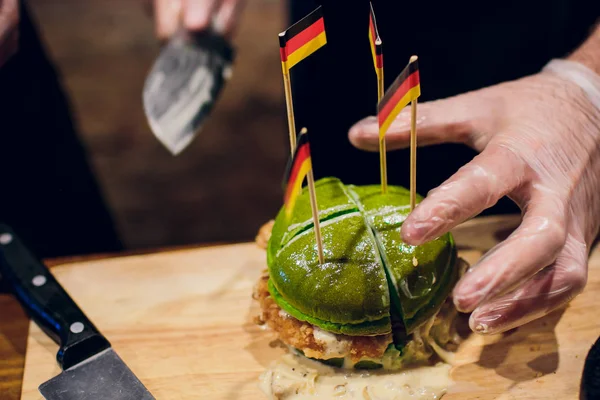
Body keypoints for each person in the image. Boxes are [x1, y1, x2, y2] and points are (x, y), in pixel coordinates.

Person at [2, 0, 600, 337]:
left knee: (509, 218)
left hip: (545, 38)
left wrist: (584, 90)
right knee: (341, 151)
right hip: (343, 24)